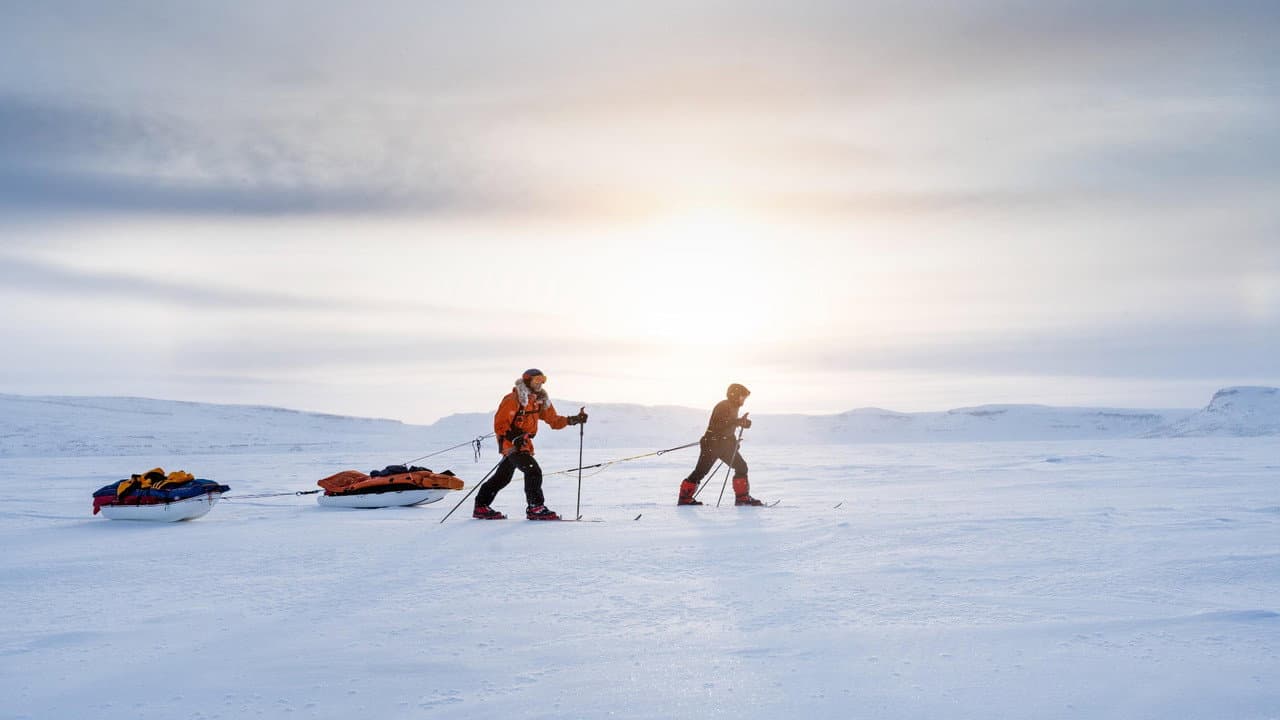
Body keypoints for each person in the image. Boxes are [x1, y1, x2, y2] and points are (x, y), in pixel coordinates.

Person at [473, 368, 588, 520]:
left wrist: (574, 419)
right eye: (536, 380)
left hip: (524, 444)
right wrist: (514, 438)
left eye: (542, 380)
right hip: (511, 444)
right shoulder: (513, 399)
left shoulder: (539, 400)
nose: (540, 383)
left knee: (503, 477)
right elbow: (500, 424)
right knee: (533, 471)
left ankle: (481, 507)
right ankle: (535, 507)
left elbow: (554, 420)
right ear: (527, 381)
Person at [677, 383, 763, 506]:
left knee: (741, 467)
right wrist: (738, 421)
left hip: (724, 446)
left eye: (745, 397)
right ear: (735, 395)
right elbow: (718, 424)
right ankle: (684, 498)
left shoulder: (734, 407)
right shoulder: (723, 405)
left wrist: (734, 441)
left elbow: (729, 428)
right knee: (700, 472)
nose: (744, 399)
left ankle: (742, 498)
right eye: (742, 396)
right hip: (711, 445)